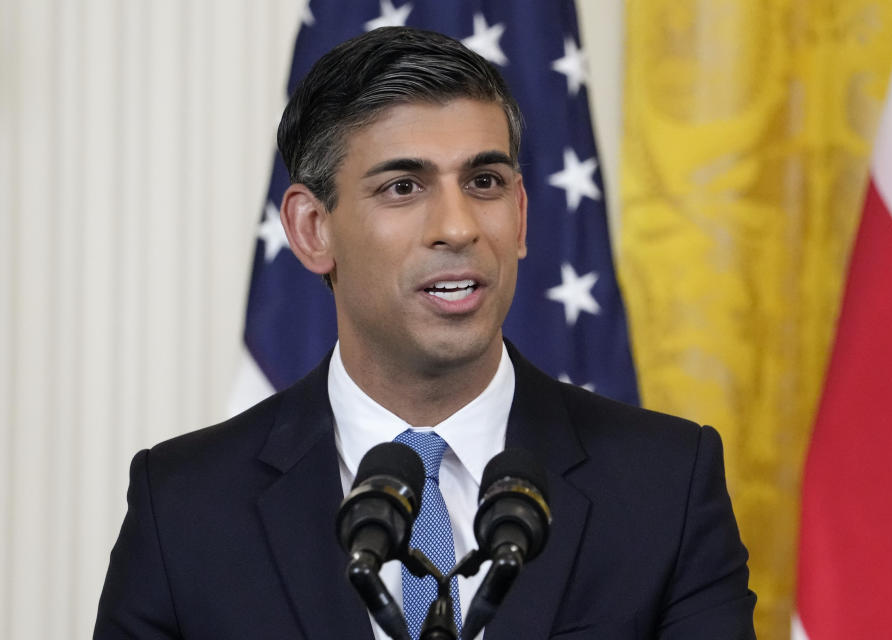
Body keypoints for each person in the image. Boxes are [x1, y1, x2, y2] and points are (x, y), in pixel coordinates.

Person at [95, 27, 756, 640]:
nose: (459, 227)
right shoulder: (184, 506)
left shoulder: (666, 485)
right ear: (311, 229)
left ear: (521, 217)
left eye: (485, 182)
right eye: (404, 186)